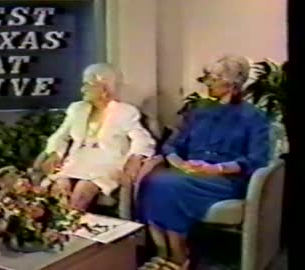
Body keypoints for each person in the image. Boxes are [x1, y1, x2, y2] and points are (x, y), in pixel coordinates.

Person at [135, 55, 271, 270]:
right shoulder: (198, 112)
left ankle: (179, 256)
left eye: (213, 78)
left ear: (231, 83)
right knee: (152, 181)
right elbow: (171, 145)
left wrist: (216, 168)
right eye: (207, 77)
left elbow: (257, 160)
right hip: (189, 172)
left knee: (166, 185)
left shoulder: (254, 117)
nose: (207, 83)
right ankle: (164, 253)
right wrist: (178, 162)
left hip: (226, 178)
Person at [40, 63, 156, 211]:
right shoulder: (77, 109)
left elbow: (142, 139)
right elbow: (61, 135)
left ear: (104, 88)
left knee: (82, 191)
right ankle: (61, 229)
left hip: (107, 162)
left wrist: (135, 158)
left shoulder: (125, 112)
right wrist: (55, 152)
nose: (83, 90)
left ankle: (74, 228)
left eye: (88, 85)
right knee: (60, 186)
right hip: (78, 159)